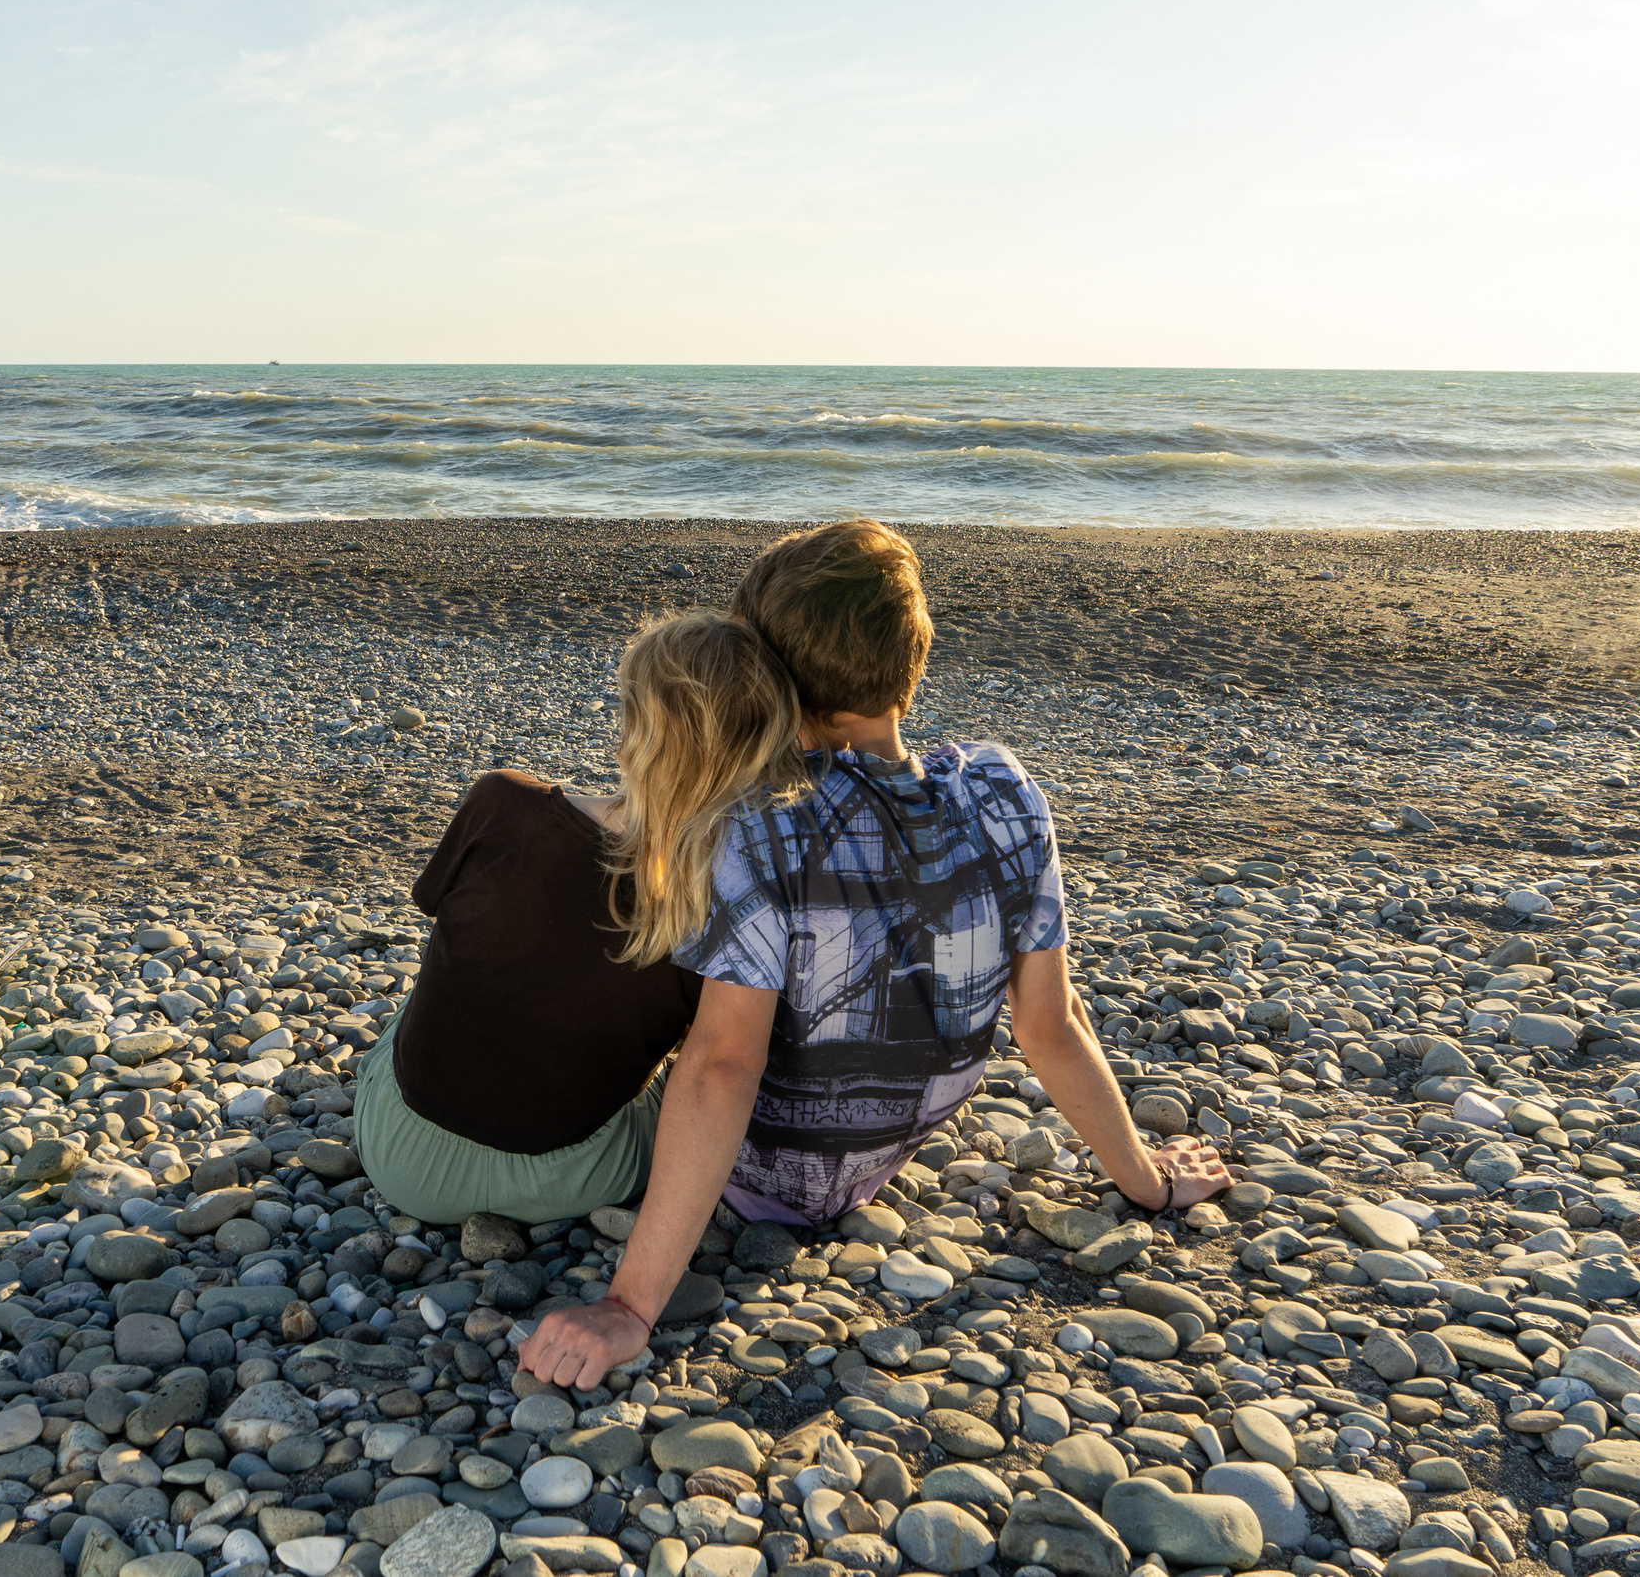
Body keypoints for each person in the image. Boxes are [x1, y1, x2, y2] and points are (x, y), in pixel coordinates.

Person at [519, 520, 1232, 1388]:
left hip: (756, 1169)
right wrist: (1147, 1182)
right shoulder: (1006, 793)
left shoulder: (761, 824)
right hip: (876, 1157)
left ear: (769, 673)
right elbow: (1051, 1025)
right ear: (913, 657)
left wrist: (629, 1306)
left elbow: (721, 1065)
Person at [352, 611, 808, 1225]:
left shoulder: (503, 801)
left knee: (430, 988)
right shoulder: (731, 897)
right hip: (569, 1181)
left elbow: (439, 907)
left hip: (400, 1158)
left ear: (631, 732)